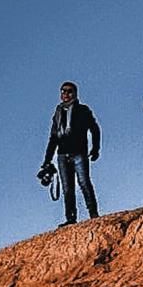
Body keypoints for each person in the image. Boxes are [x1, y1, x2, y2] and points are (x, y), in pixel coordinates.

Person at [40, 81, 101, 223]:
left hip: (79, 152)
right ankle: (71, 218)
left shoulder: (83, 110)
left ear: (75, 93)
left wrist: (96, 148)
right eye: (63, 91)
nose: (66, 94)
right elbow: (53, 138)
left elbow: (95, 129)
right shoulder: (58, 113)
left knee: (84, 183)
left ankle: (93, 214)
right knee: (67, 189)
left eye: (69, 91)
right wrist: (47, 160)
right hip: (62, 155)